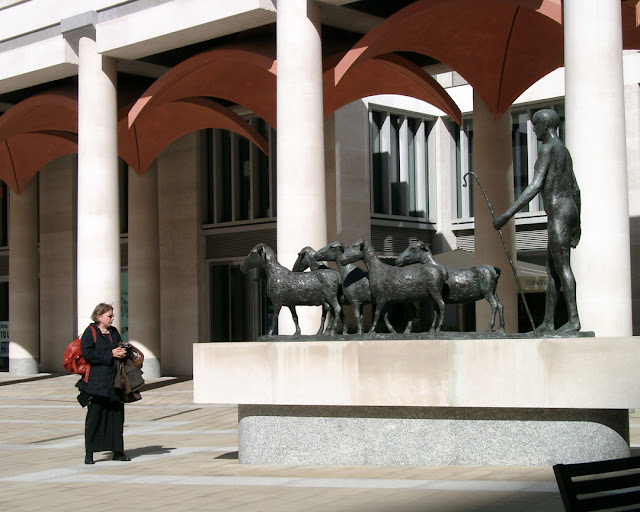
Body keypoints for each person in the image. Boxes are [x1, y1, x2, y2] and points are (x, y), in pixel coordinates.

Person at [493, 108, 581, 333]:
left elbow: (534, 186)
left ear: (546, 125)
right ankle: (549, 322)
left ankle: (573, 320)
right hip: (567, 210)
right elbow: (575, 188)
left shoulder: (548, 149)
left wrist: (506, 216)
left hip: (559, 211)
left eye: (536, 125)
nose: (533, 130)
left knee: (561, 267)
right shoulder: (564, 151)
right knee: (552, 268)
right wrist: (577, 222)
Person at [76, 303, 131, 464]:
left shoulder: (113, 332)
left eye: (113, 316)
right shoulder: (90, 332)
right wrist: (110, 353)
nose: (112, 319)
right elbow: (88, 354)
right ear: (98, 317)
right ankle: (90, 453)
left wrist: (122, 351)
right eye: (109, 316)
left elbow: (118, 346)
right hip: (97, 382)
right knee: (95, 416)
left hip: (115, 381)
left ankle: (118, 451)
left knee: (116, 416)